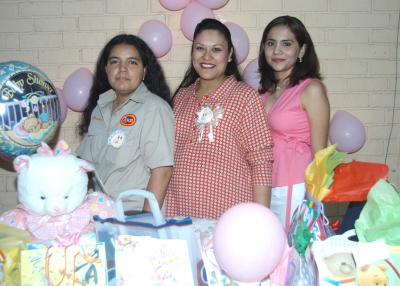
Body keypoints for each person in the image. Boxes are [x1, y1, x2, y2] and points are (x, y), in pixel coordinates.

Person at [166, 18, 273, 219]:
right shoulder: (181, 96)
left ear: (230, 54)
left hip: (228, 218)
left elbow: (261, 162)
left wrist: (260, 219)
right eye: (200, 48)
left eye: (216, 49)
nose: (207, 56)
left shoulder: (244, 97)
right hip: (180, 215)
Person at [76, 34, 175, 211]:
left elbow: (162, 171)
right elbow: (83, 164)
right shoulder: (100, 108)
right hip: (101, 212)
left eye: (132, 62)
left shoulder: (154, 108)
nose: (122, 69)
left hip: (133, 214)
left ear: (144, 71)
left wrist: (146, 221)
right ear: (106, 69)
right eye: (115, 62)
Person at [258, 15, 330, 230]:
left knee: (291, 253)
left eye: (286, 44)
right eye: (271, 44)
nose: (277, 51)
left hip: (295, 185)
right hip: (265, 184)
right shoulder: (265, 91)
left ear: (301, 51)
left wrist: (313, 200)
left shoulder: (311, 89)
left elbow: (320, 152)